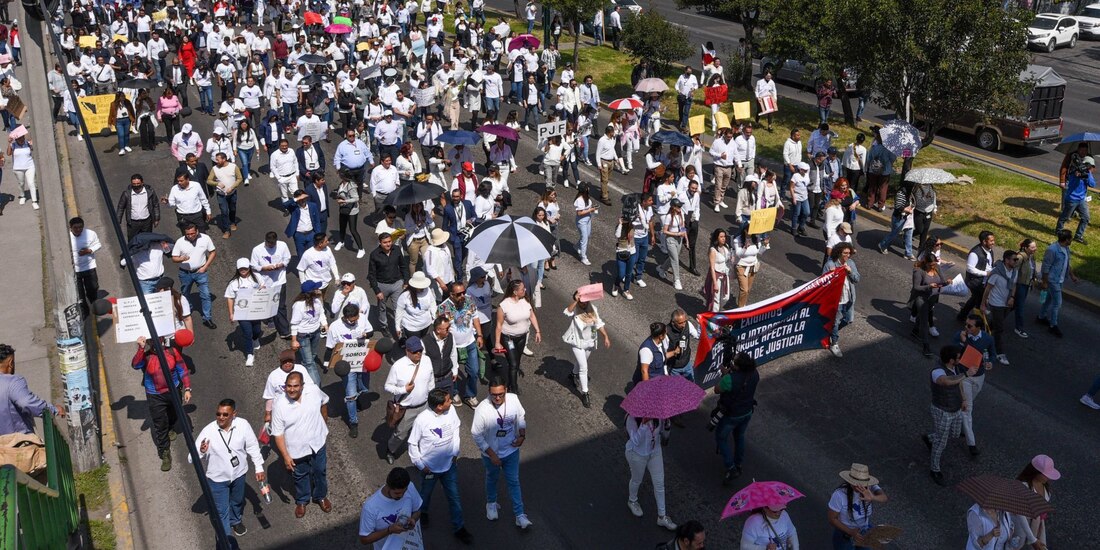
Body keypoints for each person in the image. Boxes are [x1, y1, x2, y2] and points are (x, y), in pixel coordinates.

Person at [407, 388, 472, 543]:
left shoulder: (451, 412)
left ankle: (459, 528)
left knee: (454, 498)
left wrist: (455, 451)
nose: (451, 402)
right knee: (425, 495)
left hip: (449, 466)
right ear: (439, 407)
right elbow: (412, 443)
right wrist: (421, 465)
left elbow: (456, 428)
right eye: (448, 401)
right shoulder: (422, 420)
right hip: (430, 469)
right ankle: (422, 513)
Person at [195, 399, 264, 538]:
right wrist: (201, 451)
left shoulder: (243, 425)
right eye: (218, 414)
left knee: (237, 501)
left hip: (239, 474)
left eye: (225, 415)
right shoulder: (208, 431)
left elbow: (252, 446)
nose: (221, 417)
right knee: (221, 511)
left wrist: (259, 467)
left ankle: (235, 520)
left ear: (234, 414)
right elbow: (192, 457)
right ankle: (226, 540)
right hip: (217, 480)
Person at [271, 371, 331, 519]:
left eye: (295, 386)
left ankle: (320, 496)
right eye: (288, 386)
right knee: (300, 475)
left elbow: (324, 402)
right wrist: (285, 456)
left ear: (302, 386)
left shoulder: (314, 391)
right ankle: (302, 500)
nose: (291, 389)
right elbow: (278, 434)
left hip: (318, 443)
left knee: (320, 471)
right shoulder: (279, 405)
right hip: (296, 450)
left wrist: (324, 420)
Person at [131, 336, 191, 471]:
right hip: (154, 395)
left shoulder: (172, 352)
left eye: (158, 339)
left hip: (173, 391)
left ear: (163, 339)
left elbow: (183, 370)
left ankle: (170, 427)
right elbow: (135, 365)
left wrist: (187, 388)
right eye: (151, 340)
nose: (155, 343)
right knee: (160, 425)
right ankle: (164, 452)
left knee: (174, 414)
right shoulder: (146, 356)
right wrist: (140, 349)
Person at [923, 345, 975, 486]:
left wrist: (963, 399)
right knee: (941, 443)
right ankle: (935, 469)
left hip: (956, 408)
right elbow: (945, 381)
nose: (961, 359)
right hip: (943, 411)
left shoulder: (954, 367)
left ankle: (930, 437)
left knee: (955, 433)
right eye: (958, 357)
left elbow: (958, 383)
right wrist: (966, 375)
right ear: (951, 360)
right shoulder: (937, 371)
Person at [384, 336, 437, 464]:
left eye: (420, 350)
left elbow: (430, 379)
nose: (418, 354)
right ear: (407, 351)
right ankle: (390, 450)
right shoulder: (398, 366)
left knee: (425, 431)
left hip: (424, 405)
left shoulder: (426, 360)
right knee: (400, 434)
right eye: (414, 351)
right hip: (407, 409)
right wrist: (403, 390)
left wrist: (431, 395)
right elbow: (387, 386)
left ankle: (422, 452)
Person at [325, 304, 374, 439]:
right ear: (345, 317)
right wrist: (326, 363)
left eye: (356, 319)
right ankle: (353, 422)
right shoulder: (335, 327)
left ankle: (358, 395)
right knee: (350, 395)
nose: (354, 322)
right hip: (347, 366)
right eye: (351, 321)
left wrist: (366, 334)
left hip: (363, 362)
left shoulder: (363, 318)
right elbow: (330, 347)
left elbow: (371, 331)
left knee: (363, 388)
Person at [625, 414, 678, 531]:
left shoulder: (659, 416)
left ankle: (662, 516)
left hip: (655, 452)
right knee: (636, 480)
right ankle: (632, 500)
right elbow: (635, 441)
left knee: (659, 483)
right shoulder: (631, 418)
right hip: (637, 454)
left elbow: (664, 439)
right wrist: (643, 425)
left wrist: (667, 427)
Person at [0, 344, 65, 437]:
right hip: (17, 444)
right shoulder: (13, 382)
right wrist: (53, 409)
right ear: (10, 363)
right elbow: (26, 402)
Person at [714, 352, 759, 484]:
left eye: (734, 362)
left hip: (732, 415)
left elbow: (717, 389)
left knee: (721, 437)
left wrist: (726, 374)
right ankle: (738, 463)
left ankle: (730, 466)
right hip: (747, 412)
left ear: (738, 367)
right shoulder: (754, 374)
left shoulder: (730, 379)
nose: (732, 363)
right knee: (739, 436)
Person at [438, 281, 484, 407]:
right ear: (451, 295)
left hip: (470, 343)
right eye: (459, 294)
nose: (462, 296)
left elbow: (475, 317)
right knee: (453, 373)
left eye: (463, 292)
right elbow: (440, 329)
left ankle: (470, 395)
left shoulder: (469, 301)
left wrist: (479, 335)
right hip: (453, 347)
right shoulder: (443, 308)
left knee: (474, 372)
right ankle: (454, 392)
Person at [563, 288, 611, 408]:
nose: (583, 303)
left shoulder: (593, 308)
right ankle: (585, 393)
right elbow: (567, 312)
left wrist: (605, 336)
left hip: (589, 342)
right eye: (581, 301)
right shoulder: (575, 310)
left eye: (585, 301)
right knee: (584, 367)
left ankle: (573, 374)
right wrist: (575, 301)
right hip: (578, 343)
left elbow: (598, 323)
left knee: (581, 363)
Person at [493, 279, 541, 395]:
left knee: (516, 361)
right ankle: (513, 388)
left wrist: (537, 331)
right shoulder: (504, 306)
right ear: (515, 292)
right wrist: (497, 342)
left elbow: (532, 316)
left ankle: (510, 382)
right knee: (514, 364)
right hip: (508, 338)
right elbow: (499, 325)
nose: (524, 290)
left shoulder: (525, 301)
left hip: (522, 337)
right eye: (522, 289)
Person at [957, 313, 995, 458]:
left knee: (965, 405)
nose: (966, 327)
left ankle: (957, 425)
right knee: (967, 408)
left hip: (979, 377)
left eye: (969, 326)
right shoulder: (960, 337)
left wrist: (991, 362)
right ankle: (971, 444)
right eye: (966, 324)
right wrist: (963, 342)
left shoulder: (987, 339)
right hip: (964, 376)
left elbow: (992, 354)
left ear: (978, 328)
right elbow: (957, 354)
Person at [358, 468, 424, 547]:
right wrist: (389, 530)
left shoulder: (410, 486)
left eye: (404, 491)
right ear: (388, 486)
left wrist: (413, 519)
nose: (401, 495)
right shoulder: (370, 507)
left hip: (409, 544)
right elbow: (364, 539)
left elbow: (417, 510)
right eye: (397, 493)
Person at [828, 463, 888, 550]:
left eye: (862, 483)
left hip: (864, 529)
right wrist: (851, 532)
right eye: (855, 483)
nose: (859, 486)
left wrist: (872, 497)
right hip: (845, 532)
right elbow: (832, 519)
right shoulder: (839, 495)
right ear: (850, 481)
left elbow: (884, 498)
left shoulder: (870, 487)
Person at [172, 223, 218, 329]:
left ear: (197, 231)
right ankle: (187, 311)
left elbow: (212, 252)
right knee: (185, 294)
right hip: (185, 273)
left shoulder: (205, 238)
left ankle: (207, 318)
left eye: (193, 233)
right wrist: (181, 259)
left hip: (200, 272)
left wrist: (205, 266)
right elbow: (174, 258)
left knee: (206, 295)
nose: (190, 236)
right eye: (188, 234)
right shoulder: (180, 242)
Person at [225, 258, 266, 367]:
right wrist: (231, 313)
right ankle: (249, 355)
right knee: (247, 333)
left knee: (256, 330)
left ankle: (255, 338)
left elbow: (264, 288)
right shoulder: (234, 283)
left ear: (249, 268)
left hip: (256, 310)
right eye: (241, 268)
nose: (243, 270)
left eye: (245, 268)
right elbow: (230, 298)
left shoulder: (257, 277)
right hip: (242, 312)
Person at [1037, 229, 1078, 338]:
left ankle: (1041, 316)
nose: (1071, 240)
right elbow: (1046, 267)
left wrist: (1072, 275)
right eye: (1071, 238)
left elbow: (1066, 263)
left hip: (1060, 279)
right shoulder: (1052, 250)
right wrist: (1045, 282)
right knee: (1057, 303)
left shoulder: (1066, 248)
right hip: (1052, 280)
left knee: (1049, 299)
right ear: (1066, 240)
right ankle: (1053, 325)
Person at [1013, 454, 1059, 549]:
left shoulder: (1045, 486)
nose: (1048, 478)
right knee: (1017, 544)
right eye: (1046, 475)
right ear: (1036, 472)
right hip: (1020, 523)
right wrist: (1033, 539)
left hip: (1034, 521)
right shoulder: (1023, 486)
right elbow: (1020, 516)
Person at [369, 233, 411, 338]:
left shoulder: (396, 250)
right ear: (380, 243)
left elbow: (403, 266)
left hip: (397, 284)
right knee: (382, 308)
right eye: (385, 242)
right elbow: (371, 274)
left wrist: (406, 281)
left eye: (389, 241)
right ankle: (384, 326)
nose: (388, 244)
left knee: (399, 307)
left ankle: (400, 331)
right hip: (382, 285)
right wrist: (377, 291)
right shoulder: (374, 255)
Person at [981, 251, 1019, 366]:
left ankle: (981, 332)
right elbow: (987, 289)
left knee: (997, 322)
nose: (1016, 261)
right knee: (999, 329)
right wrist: (983, 304)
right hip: (996, 304)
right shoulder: (996, 273)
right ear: (1007, 260)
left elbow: (1014, 285)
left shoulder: (1014, 272)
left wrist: (1012, 297)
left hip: (1007, 304)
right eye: (1014, 259)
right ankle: (999, 352)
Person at [823, 243, 859, 358]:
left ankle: (831, 330)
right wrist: (832, 275)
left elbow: (857, 279)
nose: (847, 256)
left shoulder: (851, 263)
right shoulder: (830, 264)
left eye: (849, 253)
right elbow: (823, 283)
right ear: (839, 253)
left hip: (849, 298)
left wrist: (850, 272)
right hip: (837, 300)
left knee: (848, 319)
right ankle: (834, 342)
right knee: (836, 321)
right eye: (845, 253)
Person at [910, 255, 949, 357]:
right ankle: (926, 346)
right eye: (931, 265)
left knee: (924, 314)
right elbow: (916, 287)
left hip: (932, 298)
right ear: (926, 263)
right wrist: (929, 286)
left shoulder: (937, 267)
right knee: (924, 321)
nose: (933, 267)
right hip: (921, 298)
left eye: (934, 264)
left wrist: (948, 283)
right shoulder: (918, 271)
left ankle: (915, 330)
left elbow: (942, 282)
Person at [290, 281, 328, 385]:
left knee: (313, 355)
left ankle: (304, 370)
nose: (319, 290)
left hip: (315, 333)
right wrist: (294, 340)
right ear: (311, 292)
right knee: (310, 362)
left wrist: (325, 324)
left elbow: (321, 314)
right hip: (303, 336)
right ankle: (317, 387)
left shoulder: (317, 301)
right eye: (316, 289)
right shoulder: (298, 305)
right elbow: (294, 323)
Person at [1055, 154, 1094, 245]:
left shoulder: (1088, 173)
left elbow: (1092, 184)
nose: (1090, 168)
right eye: (1088, 166)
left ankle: (1078, 235)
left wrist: (1086, 176)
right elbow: (1071, 181)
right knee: (1065, 217)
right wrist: (1077, 175)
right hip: (1072, 199)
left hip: (1081, 200)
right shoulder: (1073, 171)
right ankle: (1058, 231)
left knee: (1086, 217)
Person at [208, 152, 244, 240]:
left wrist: (232, 187)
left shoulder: (233, 167)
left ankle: (232, 222)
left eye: (218, 159)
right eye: (216, 159)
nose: (216, 161)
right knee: (224, 212)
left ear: (224, 159)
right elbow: (209, 180)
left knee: (232, 209)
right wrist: (217, 183)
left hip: (232, 193)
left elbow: (240, 178)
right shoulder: (214, 169)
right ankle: (226, 230)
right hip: (221, 194)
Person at [69, 217, 101, 312]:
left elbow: (98, 244)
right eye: (75, 228)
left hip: (89, 266)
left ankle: (94, 304)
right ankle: (84, 311)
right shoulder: (66, 237)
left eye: (80, 227)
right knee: (79, 293)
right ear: (70, 228)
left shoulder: (90, 234)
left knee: (93, 287)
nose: (78, 230)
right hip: (75, 269)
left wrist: (89, 250)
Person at [733, 226, 763, 308]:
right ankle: (740, 309)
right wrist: (745, 247)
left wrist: (765, 245)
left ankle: (743, 305)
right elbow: (738, 254)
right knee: (744, 290)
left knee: (748, 290)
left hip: (753, 267)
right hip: (741, 266)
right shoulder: (738, 240)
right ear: (744, 230)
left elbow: (759, 252)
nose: (750, 232)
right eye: (748, 230)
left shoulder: (756, 238)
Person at [1013, 239, 1038, 339]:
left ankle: (997, 321)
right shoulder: (1020, 257)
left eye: (1035, 247)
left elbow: (1032, 269)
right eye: (1032, 247)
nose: (1034, 249)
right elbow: (1014, 273)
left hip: (1027, 285)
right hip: (1020, 285)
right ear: (1025, 248)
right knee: (1020, 307)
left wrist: (1035, 277)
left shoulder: (1031, 257)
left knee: (1015, 306)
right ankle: (1019, 328)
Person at [8, 128, 37, 209]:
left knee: (31, 183)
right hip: (18, 168)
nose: (21, 140)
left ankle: (34, 201)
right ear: (16, 139)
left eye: (22, 138)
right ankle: (22, 196)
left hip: (29, 166)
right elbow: (8, 153)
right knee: (21, 183)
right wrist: (9, 143)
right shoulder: (13, 145)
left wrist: (31, 144)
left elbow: (32, 149)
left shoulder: (27, 143)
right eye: (19, 139)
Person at [704, 228, 733, 312]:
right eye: (721, 237)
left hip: (725, 274)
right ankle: (714, 317)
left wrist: (731, 259)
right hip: (716, 275)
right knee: (716, 299)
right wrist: (715, 283)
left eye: (724, 236)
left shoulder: (726, 247)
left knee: (726, 297)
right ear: (717, 238)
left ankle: (717, 310)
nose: (724, 238)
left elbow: (727, 261)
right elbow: (712, 268)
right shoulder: (713, 250)